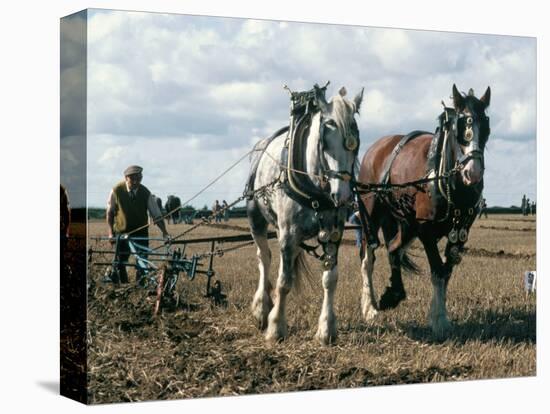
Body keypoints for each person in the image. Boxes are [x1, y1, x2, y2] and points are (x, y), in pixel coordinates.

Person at [106, 165, 169, 284]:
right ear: (126, 178)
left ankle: (139, 288)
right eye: (133, 179)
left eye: (139, 178)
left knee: (142, 262)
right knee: (120, 262)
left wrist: (165, 232)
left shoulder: (145, 193)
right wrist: (110, 234)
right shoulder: (116, 190)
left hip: (140, 233)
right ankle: (124, 286)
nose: (136, 182)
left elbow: (157, 215)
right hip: (122, 233)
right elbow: (110, 213)